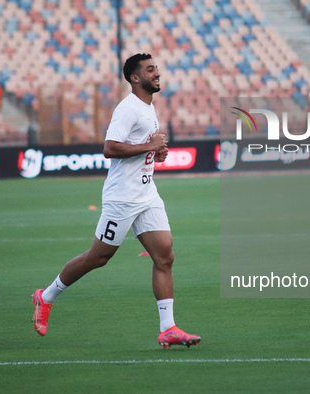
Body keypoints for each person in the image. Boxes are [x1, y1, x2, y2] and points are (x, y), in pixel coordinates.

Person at [31, 53, 201, 348]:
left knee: (165, 256)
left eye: (157, 69)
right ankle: (45, 297)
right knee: (98, 257)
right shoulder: (128, 109)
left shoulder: (148, 107)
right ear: (135, 78)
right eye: (151, 70)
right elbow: (110, 148)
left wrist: (155, 153)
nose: (157, 74)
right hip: (122, 198)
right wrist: (149, 145)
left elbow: (142, 147)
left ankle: (167, 328)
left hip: (147, 194)